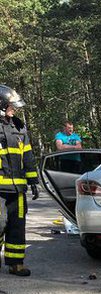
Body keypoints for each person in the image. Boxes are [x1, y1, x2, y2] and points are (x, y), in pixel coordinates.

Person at [0, 85, 39, 277]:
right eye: (10, 106)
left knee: (17, 225)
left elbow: (28, 155)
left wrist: (33, 181)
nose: (14, 110)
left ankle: (16, 263)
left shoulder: (19, 126)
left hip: (18, 189)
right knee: (0, 223)